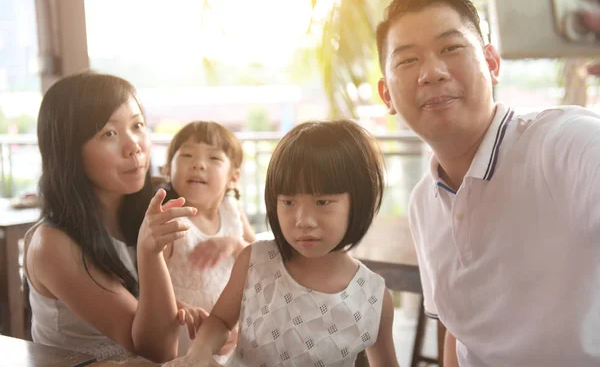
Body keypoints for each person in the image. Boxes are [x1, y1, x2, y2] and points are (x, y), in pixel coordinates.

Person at [376, 0, 600, 367]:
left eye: (451, 48)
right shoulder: (423, 203)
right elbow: (459, 331)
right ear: (387, 96)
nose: (431, 72)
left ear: (492, 64)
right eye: (407, 61)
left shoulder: (564, 143)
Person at [164, 120, 399, 367]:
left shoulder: (373, 297)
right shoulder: (254, 260)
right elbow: (221, 321)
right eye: (288, 202)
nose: (303, 220)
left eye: (322, 202)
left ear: (358, 201)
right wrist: (199, 353)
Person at [24, 71, 202, 362]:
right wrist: (149, 251)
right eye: (109, 133)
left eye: (138, 125)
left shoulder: (144, 210)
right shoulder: (52, 244)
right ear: (69, 150)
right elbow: (154, 351)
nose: (134, 146)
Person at [159, 121, 256, 361]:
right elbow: (149, 289)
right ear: (168, 170)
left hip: (232, 335)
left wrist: (234, 244)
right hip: (187, 337)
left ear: (233, 177)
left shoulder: (232, 211)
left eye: (214, 159)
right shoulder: (168, 219)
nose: (198, 164)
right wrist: (181, 308)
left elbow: (262, 258)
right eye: (187, 155)